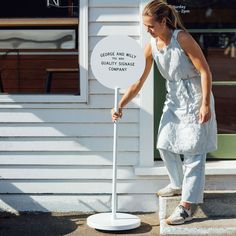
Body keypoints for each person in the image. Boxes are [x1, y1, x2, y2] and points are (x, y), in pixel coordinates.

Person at [111, 0, 217, 225]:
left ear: (164, 21)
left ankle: (187, 205)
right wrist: (120, 104)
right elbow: (138, 81)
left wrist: (205, 103)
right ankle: (177, 183)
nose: (147, 30)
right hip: (174, 99)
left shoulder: (182, 39)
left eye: (151, 25)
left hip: (196, 96)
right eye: (145, 25)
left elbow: (205, 71)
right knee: (164, 143)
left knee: (193, 152)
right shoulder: (151, 45)